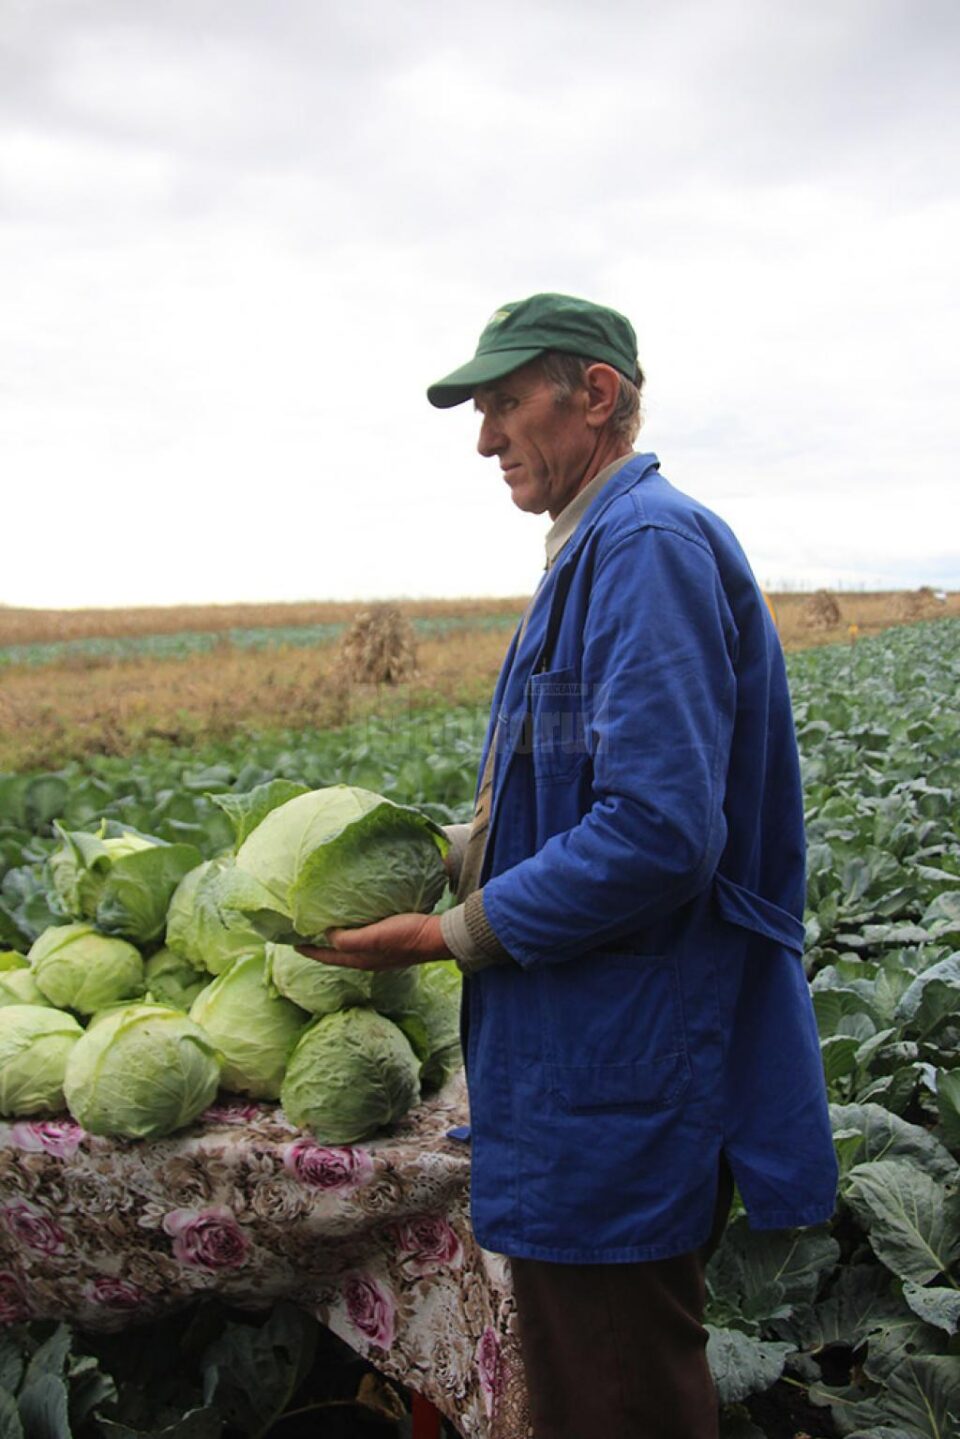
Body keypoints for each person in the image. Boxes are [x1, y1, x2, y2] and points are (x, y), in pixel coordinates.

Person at [301, 293, 838, 1438]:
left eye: (504, 402)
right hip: (589, 1059)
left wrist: (446, 933)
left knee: (616, 1396)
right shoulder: (600, 546)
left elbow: (657, 829)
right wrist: (435, 858)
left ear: (595, 395)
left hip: (619, 1069)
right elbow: (570, 793)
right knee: (601, 1380)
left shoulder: (644, 549)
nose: (485, 438)